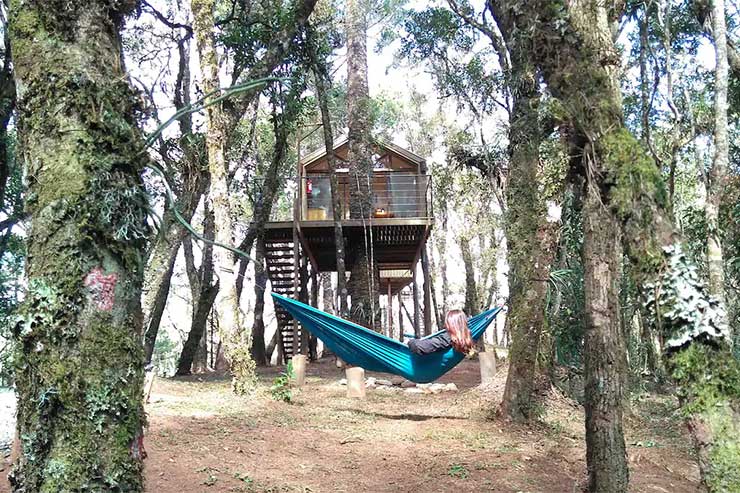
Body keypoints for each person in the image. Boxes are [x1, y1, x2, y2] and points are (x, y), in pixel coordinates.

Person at [407, 309, 474, 355]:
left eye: (447, 322)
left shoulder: (446, 339)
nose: (445, 325)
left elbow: (417, 346)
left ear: (451, 324)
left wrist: (410, 342)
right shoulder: (467, 337)